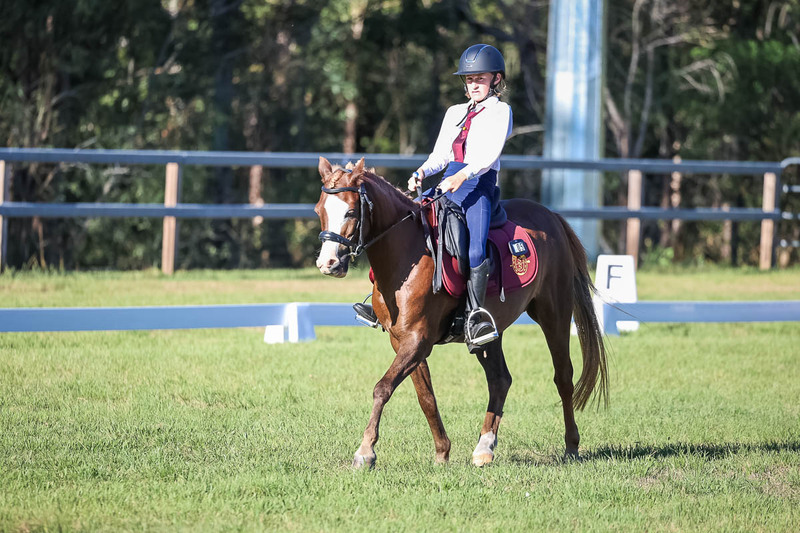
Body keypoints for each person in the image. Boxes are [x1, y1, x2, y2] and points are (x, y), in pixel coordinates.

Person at [356, 43, 513, 351]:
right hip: (445, 185)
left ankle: (476, 316)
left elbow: (489, 154)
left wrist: (462, 176)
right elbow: (440, 155)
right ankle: (377, 300)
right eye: (469, 79)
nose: (474, 85)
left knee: (474, 249)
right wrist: (421, 172)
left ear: (496, 79)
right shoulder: (455, 112)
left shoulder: (500, 111)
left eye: (480, 79)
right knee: (401, 226)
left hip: (477, 186)